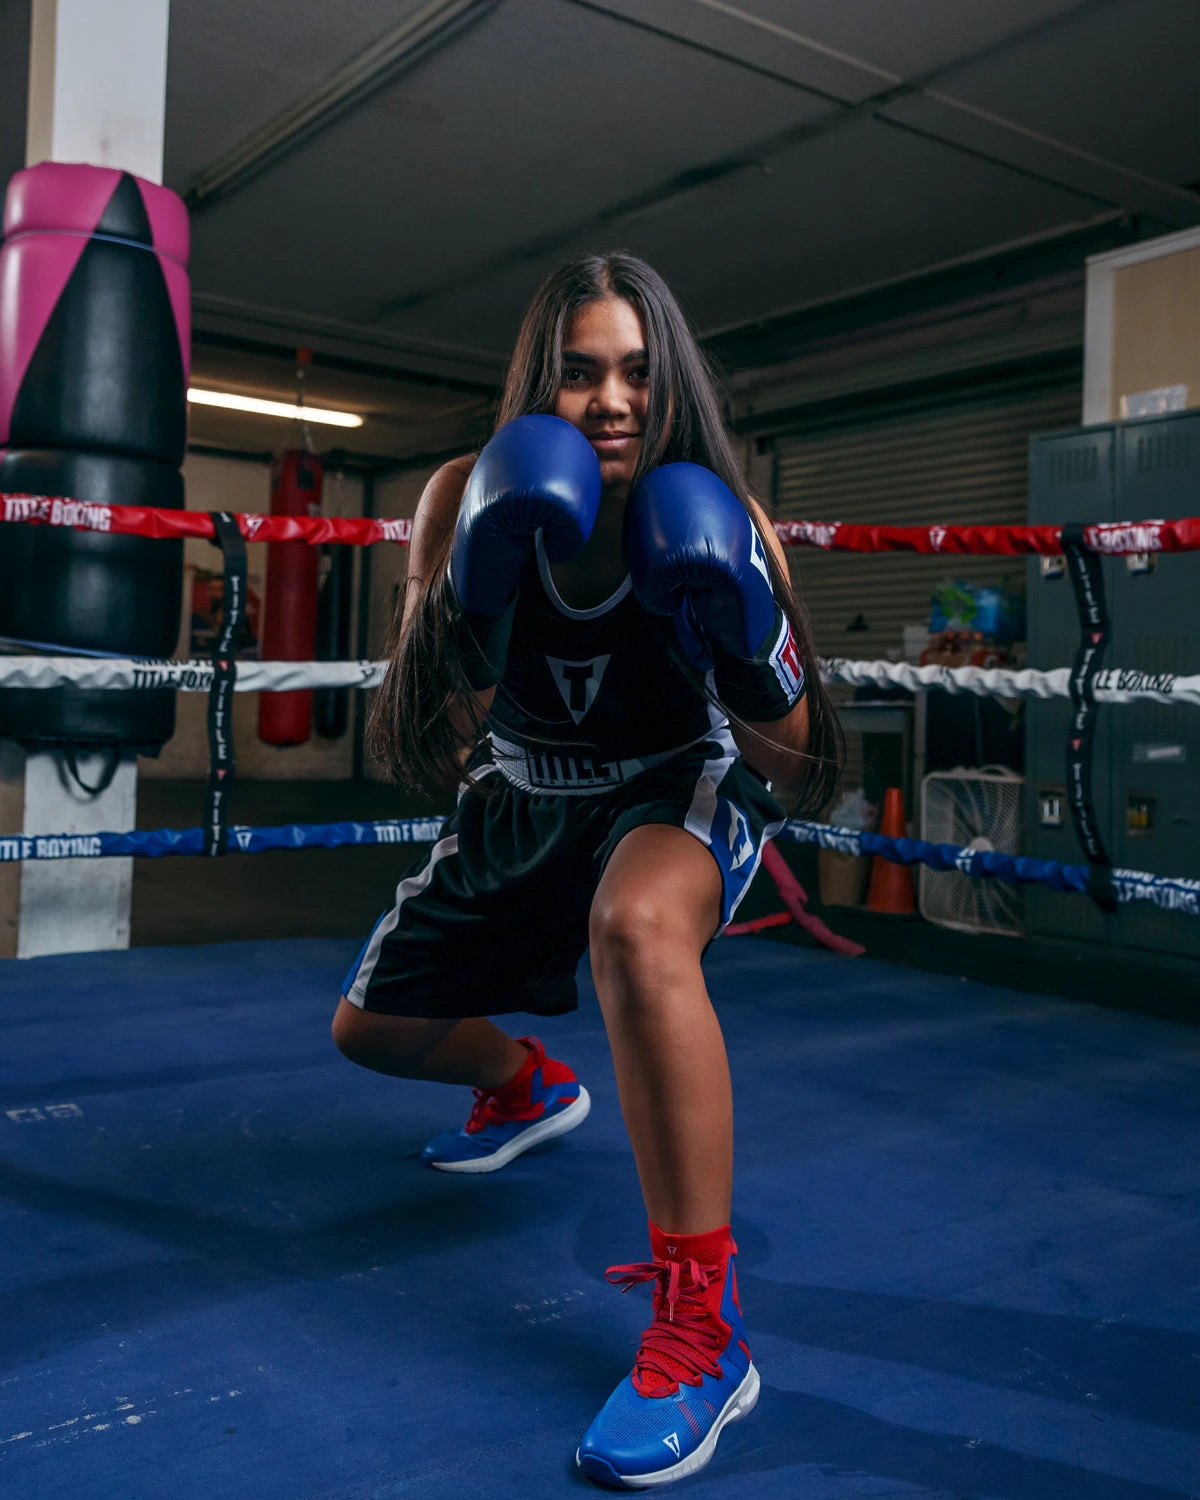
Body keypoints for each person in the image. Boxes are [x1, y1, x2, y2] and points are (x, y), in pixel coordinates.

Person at [331, 253, 838, 1488]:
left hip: (674, 786)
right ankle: (524, 1086)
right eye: (578, 373)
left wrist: (748, 636)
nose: (610, 400)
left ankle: (703, 1335)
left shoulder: (726, 511)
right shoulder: (463, 493)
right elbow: (429, 737)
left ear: (672, 383)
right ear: (537, 384)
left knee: (637, 925)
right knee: (372, 1033)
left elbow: (798, 763)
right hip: (521, 788)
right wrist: (479, 592)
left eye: (636, 372)